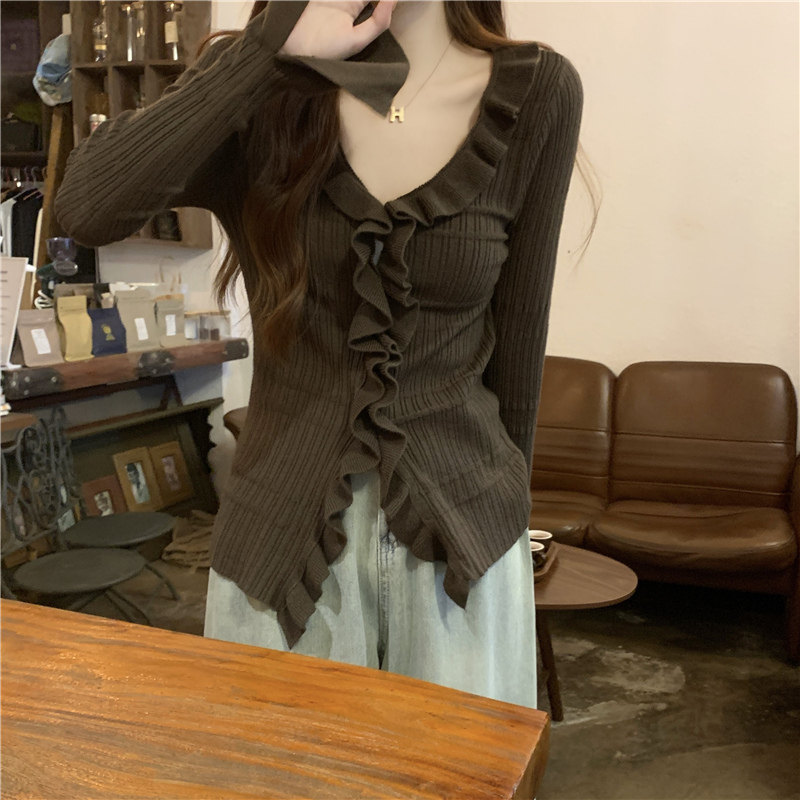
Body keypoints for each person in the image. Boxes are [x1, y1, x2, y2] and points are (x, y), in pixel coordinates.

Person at [54, 0, 585, 710]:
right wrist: (267, 49)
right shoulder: (261, 79)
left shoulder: (539, 90)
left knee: (459, 769)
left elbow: (519, 343)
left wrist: (500, 525)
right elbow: (87, 209)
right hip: (280, 552)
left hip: (462, 555)